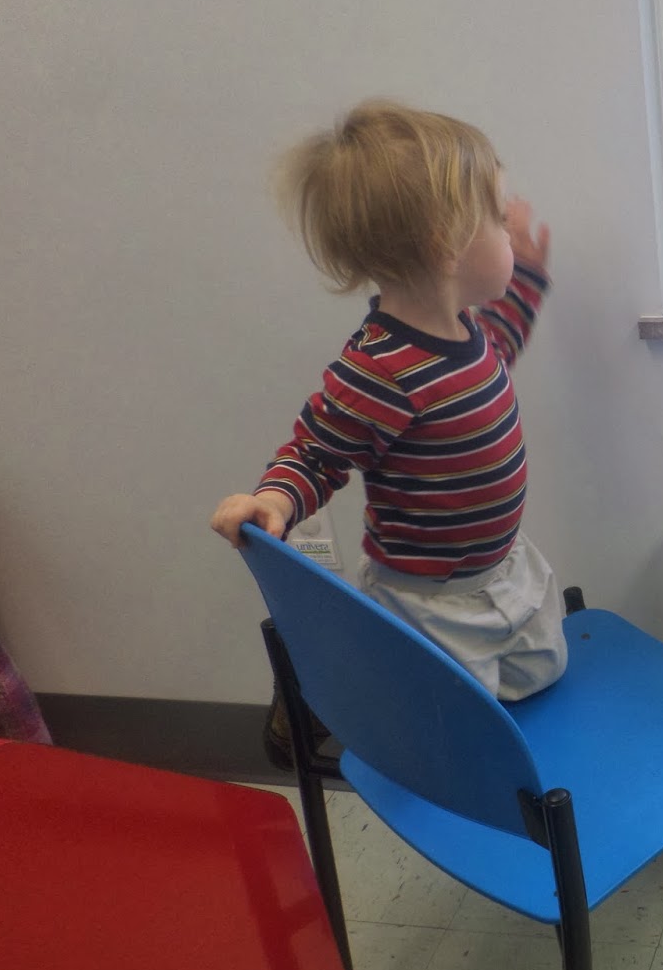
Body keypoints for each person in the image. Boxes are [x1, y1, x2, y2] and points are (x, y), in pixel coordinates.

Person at [211, 100, 567, 761]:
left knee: (540, 678)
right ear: (444, 244)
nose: (511, 227)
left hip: (501, 570)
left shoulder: (465, 330)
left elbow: (501, 343)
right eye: (497, 217)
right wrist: (275, 499)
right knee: (455, 742)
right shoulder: (379, 370)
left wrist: (528, 278)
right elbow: (315, 453)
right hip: (430, 602)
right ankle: (322, 696)